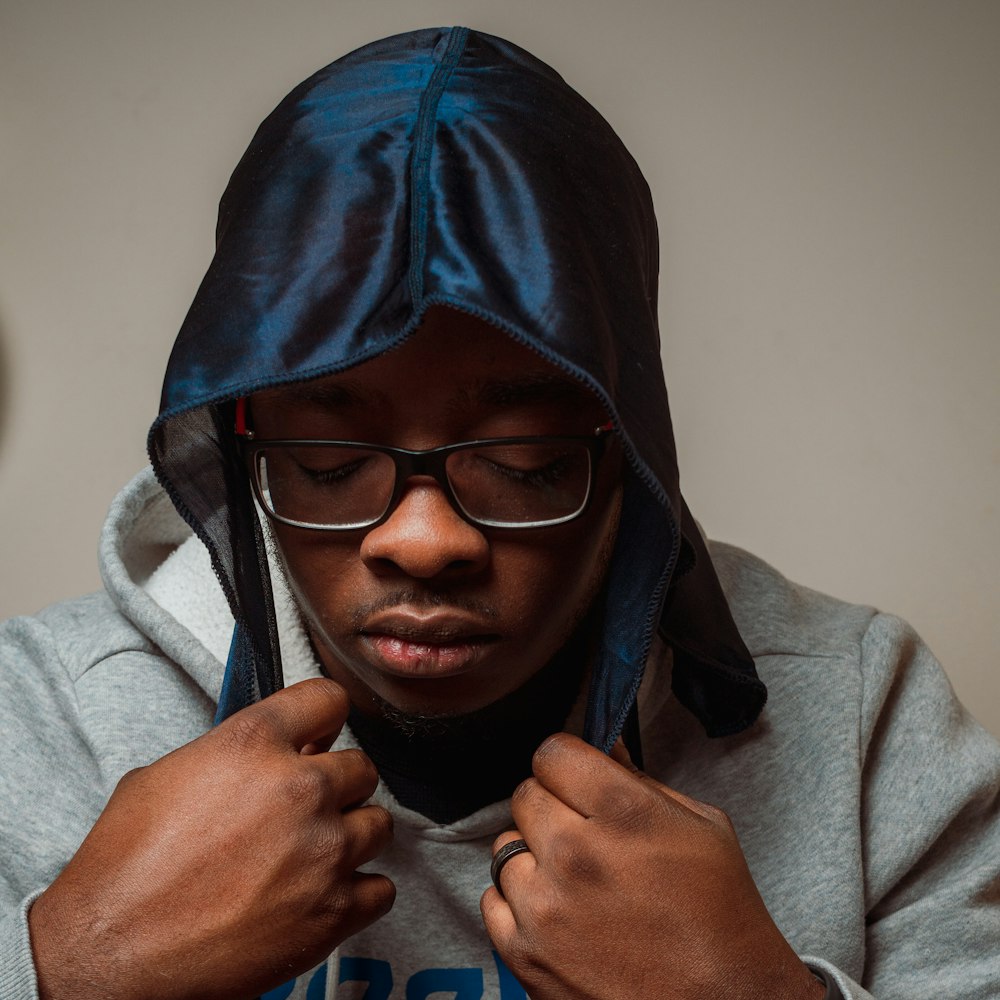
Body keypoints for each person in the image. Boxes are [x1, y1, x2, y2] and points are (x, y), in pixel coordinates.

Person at [1, 26, 997, 1000]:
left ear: (630, 451)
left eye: (522, 462)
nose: (423, 541)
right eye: (327, 459)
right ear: (238, 442)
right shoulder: (47, 716)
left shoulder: (861, 713)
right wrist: (76, 968)